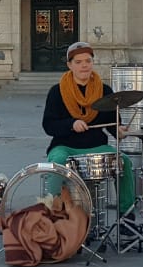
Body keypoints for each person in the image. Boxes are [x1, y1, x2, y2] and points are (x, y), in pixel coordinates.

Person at [42, 42, 133, 217]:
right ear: (69, 65)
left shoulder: (104, 90)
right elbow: (49, 125)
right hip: (65, 146)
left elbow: (112, 123)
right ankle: (54, 214)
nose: (84, 65)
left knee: (125, 162)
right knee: (57, 163)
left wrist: (119, 131)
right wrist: (71, 124)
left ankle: (127, 216)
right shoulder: (57, 91)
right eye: (78, 62)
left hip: (96, 145)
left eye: (88, 61)